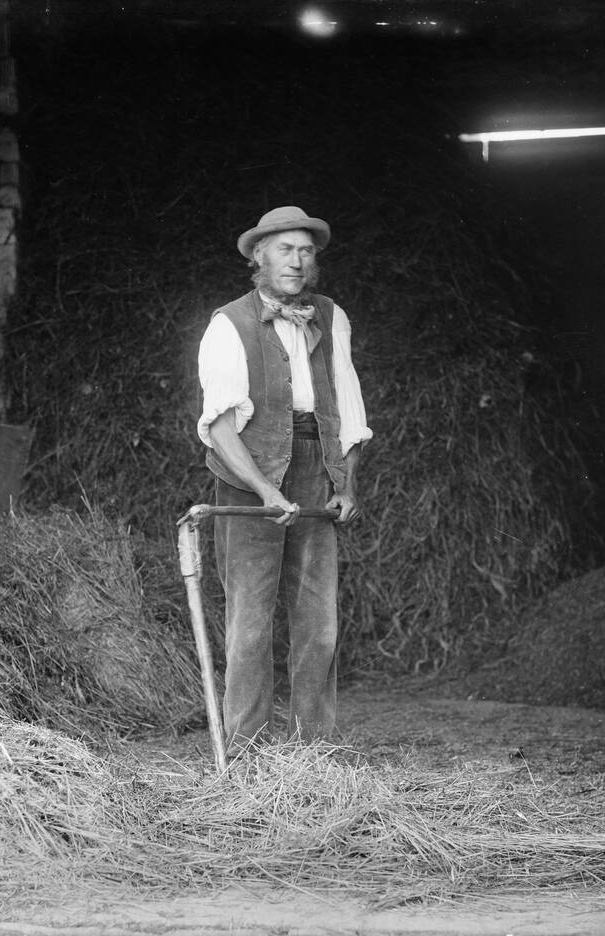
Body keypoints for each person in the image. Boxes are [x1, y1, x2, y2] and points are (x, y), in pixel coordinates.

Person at [196, 205, 372, 752]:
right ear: (258, 256)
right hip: (249, 475)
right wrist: (266, 489)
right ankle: (245, 753)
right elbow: (221, 429)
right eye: (284, 250)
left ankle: (313, 750)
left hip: (315, 465)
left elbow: (349, 409)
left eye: (306, 251)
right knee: (250, 619)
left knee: (318, 620)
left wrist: (346, 486)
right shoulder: (229, 324)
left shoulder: (331, 316)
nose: (296, 262)